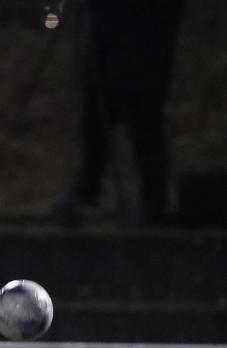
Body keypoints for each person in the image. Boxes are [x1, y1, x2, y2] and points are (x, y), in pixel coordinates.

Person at [55, 0, 185, 227]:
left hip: (145, 43)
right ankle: (88, 191)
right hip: (111, 37)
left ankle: (153, 203)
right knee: (96, 116)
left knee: (143, 121)